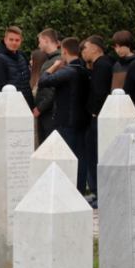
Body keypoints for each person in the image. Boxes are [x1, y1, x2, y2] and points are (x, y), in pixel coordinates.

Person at [36, 37, 92, 185]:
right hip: (83, 120)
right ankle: (79, 188)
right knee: (81, 157)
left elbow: (43, 81)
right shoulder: (84, 70)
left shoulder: (68, 71)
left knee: (67, 158)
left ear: (64, 51)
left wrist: (53, 66)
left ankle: (69, 187)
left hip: (66, 121)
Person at [80, 35, 113, 203]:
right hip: (100, 116)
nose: (83, 52)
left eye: (85, 48)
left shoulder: (101, 65)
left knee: (94, 155)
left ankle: (98, 193)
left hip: (98, 116)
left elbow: (99, 92)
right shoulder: (104, 64)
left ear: (94, 48)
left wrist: (94, 111)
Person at [31, 28, 63, 143]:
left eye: (40, 41)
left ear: (46, 40)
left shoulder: (58, 61)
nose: (39, 45)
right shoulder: (50, 60)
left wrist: (40, 108)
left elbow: (53, 89)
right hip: (47, 112)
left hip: (51, 113)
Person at [0, 26, 32, 103]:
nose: (14, 43)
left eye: (17, 40)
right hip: (10, 105)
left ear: (21, 41)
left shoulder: (22, 56)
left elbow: (27, 85)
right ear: (5, 40)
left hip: (26, 104)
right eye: (11, 39)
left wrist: (31, 105)